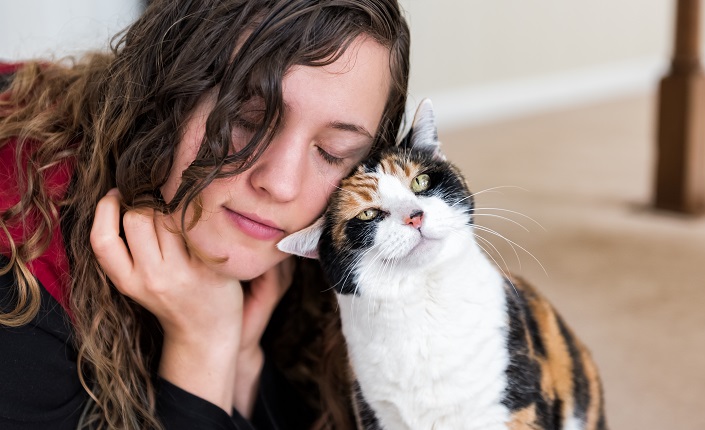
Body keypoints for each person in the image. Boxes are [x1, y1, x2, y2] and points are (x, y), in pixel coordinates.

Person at [0, 0, 410, 428]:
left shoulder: (313, 251)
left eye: (332, 153)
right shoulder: (19, 282)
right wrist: (204, 345)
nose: (283, 184)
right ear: (165, 90)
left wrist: (243, 361)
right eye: (249, 119)